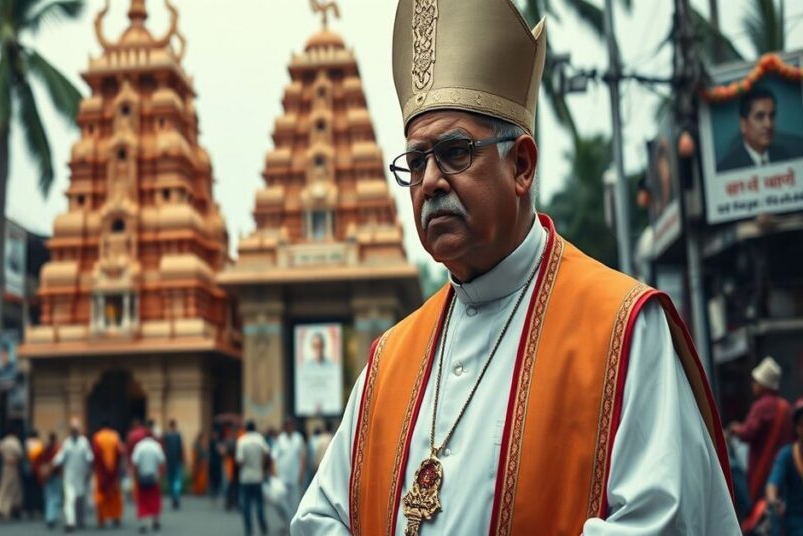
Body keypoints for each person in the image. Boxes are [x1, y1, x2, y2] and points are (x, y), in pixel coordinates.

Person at [292, 1, 736, 533]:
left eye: (455, 152)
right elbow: (320, 517)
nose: (430, 181)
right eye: (415, 162)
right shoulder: (389, 360)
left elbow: (665, 521)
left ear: (521, 165)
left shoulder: (621, 330)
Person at [731, 356, 794, 504]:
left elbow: (747, 433)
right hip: (782, 469)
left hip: (762, 468)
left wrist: (735, 429)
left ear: (763, 384)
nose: (753, 385)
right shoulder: (784, 406)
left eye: (756, 382)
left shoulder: (761, 406)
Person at [718, 86, 801, 172]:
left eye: (772, 116)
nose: (768, 124)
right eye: (760, 117)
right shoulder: (727, 168)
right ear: (743, 124)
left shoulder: (785, 157)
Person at [766, 403, 803, 535]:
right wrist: (772, 500)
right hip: (796, 521)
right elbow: (773, 483)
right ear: (798, 428)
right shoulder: (787, 454)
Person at [53, 418, 93, 533]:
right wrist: (52, 464)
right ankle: (70, 522)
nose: (74, 431)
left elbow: (89, 457)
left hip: (81, 475)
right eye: (72, 429)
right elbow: (60, 457)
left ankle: (80, 520)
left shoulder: (84, 442)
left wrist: (90, 471)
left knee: (80, 499)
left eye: (76, 429)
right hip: (69, 476)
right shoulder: (67, 442)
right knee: (69, 499)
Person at [236, 420, 270, 536]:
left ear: (246, 428)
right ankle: (262, 525)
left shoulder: (242, 441)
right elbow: (267, 453)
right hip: (258, 476)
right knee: (259, 504)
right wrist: (262, 465)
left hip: (245, 477)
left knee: (246, 505)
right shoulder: (259, 439)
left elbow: (239, 461)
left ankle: (248, 529)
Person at [91, 420, 125, 527]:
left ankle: (101, 519)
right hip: (114, 473)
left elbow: (95, 454)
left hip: (101, 472)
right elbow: (120, 452)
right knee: (114, 496)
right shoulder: (115, 436)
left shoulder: (97, 437)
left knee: (101, 495)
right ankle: (116, 517)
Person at [131, 433, 166, 533]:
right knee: (155, 499)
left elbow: (135, 462)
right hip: (154, 477)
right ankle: (155, 520)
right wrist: (161, 475)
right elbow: (162, 462)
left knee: (142, 500)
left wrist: (136, 477)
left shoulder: (139, 446)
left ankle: (143, 523)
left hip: (142, 477)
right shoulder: (156, 446)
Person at [273, 419, 305, 526]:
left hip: (295, 476)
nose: (288, 428)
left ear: (293, 426)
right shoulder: (280, 439)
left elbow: (302, 457)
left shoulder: (298, 438)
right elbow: (274, 457)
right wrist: (274, 473)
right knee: (279, 501)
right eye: (287, 426)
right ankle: (286, 521)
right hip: (281, 477)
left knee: (295, 503)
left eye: (290, 426)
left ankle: (292, 525)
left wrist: (301, 473)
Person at [0, 429, 24, 520]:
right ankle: (2, 508)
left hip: (5, 466)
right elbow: (19, 454)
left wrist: (4, 456)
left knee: (6, 487)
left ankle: (12, 508)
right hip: (13, 466)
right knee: (11, 488)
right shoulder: (15, 442)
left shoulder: (5, 441)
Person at [37, 432, 63, 529]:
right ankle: (51, 517)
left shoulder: (44, 449)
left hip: (46, 475)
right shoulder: (57, 449)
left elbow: (39, 460)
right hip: (55, 475)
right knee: (55, 497)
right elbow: (59, 462)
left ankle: (49, 516)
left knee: (48, 497)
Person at [163, 419, 185, 509]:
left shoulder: (166, 436)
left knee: (171, 480)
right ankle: (176, 497)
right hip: (176, 461)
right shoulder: (178, 435)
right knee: (177, 480)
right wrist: (183, 460)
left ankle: (173, 498)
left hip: (169, 461)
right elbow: (181, 449)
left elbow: (164, 449)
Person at [207, 428, 223, 503]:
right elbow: (220, 451)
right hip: (215, 463)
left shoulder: (213, 442)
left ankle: (214, 492)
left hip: (214, 463)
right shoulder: (214, 443)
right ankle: (214, 492)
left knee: (214, 479)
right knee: (215, 478)